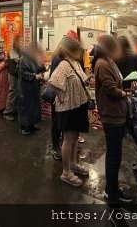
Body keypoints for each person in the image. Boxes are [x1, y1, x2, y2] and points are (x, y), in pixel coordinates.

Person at [93, 34, 132, 204]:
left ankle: (113, 187)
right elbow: (110, 88)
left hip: (117, 112)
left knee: (116, 154)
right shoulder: (102, 64)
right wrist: (124, 93)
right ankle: (111, 191)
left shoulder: (109, 61)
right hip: (111, 114)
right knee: (113, 155)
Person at [48, 36, 91, 187]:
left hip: (78, 105)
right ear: (69, 50)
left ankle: (73, 163)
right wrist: (61, 96)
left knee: (74, 137)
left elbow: (81, 79)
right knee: (69, 138)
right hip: (69, 107)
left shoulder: (74, 63)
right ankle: (66, 172)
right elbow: (53, 82)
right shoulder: (64, 64)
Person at [17, 43, 45, 135]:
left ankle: (32, 124)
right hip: (25, 87)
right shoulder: (22, 59)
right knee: (25, 107)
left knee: (34, 106)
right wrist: (34, 76)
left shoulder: (34, 59)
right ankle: (24, 126)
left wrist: (43, 68)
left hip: (33, 86)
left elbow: (38, 68)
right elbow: (23, 73)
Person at [3, 36, 21, 121]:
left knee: (16, 93)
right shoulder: (12, 50)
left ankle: (13, 110)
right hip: (13, 75)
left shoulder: (19, 50)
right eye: (20, 41)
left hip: (17, 74)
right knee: (12, 92)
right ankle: (7, 112)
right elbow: (18, 60)